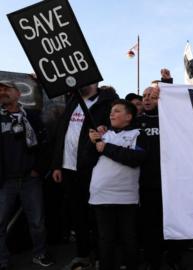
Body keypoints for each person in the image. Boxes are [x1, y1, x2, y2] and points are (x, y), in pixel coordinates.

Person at [51, 83, 118, 269]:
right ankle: (82, 254)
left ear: (94, 82)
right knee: (77, 215)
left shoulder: (106, 103)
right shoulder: (73, 101)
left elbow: (116, 131)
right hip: (68, 168)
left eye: (85, 81)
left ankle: (100, 257)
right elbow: (62, 134)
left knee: (96, 216)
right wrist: (57, 164)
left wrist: (105, 131)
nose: (80, 84)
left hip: (92, 168)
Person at [0, 80, 53, 269]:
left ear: (18, 94)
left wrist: (38, 169)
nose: (2, 92)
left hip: (30, 179)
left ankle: (39, 254)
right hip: (5, 181)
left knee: (37, 221)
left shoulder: (31, 116)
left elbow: (45, 145)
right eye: (0, 90)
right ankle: (2, 260)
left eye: (7, 89)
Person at [88, 99, 146, 270]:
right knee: (106, 239)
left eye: (117, 111)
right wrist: (91, 143)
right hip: (101, 196)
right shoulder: (103, 134)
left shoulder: (138, 134)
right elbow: (87, 161)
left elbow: (136, 159)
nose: (112, 114)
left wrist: (106, 148)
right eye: (111, 111)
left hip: (126, 198)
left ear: (129, 116)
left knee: (129, 238)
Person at [137, 69, 184, 270]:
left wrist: (167, 83)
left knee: (173, 222)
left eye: (151, 96)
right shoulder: (135, 123)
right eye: (144, 96)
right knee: (150, 225)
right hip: (146, 184)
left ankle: (174, 259)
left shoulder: (170, 119)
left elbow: (176, 104)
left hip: (172, 183)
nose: (147, 99)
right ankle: (152, 260)